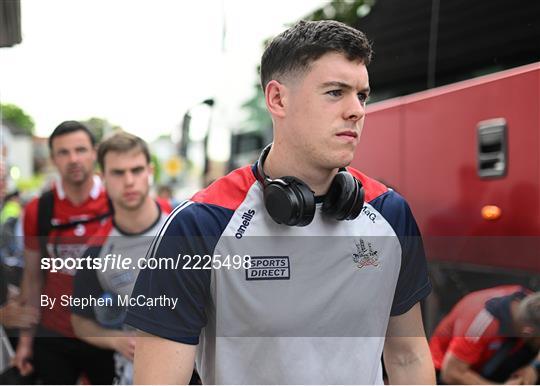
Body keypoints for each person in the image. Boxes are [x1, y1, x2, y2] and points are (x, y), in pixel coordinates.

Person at [127, 20, 435, 384]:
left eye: (362, 95)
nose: (357, 110)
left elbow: (408, 357)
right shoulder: (201, 223)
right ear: (277, 99)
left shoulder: (389, 212)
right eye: (335, 92)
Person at [14, 121, 115, 384]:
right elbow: (33, 279)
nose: (73, 159)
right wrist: (25, 342)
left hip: (105, 334)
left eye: (80, 150)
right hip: (53, 335)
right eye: (64, 152)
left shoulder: (116, 202)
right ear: (53, 159)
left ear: (95, 152)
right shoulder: (39, 210)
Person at [71, 132, 168, 384]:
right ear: (102, 178)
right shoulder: (96, 251)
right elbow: (80, 321)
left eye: (136, 170)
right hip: (135, 375)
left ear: (150, 171)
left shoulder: (187, 225)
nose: (129, 181)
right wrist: (115, 339)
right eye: (117, 172)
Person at [430, 285, 540, 384]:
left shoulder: (531, 301)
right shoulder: (480, 324)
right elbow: (450, 374)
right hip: (452, 369)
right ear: (528, 331)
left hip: (499, 353)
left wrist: (533, 367)